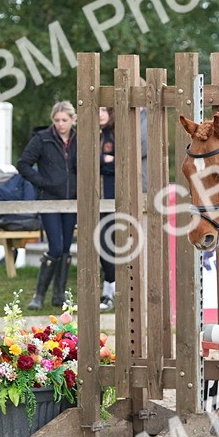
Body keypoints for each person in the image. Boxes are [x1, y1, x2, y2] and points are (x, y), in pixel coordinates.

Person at [17, 101, 78, 309]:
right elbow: (23, 164)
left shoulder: (80, 139)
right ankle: (39, 295)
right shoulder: (42, 139)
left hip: (72, 200)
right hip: (50, 199)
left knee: (66, 248)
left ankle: (59, 295)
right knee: (55, 246)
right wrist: (42, 182)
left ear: (72, 119)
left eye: (65, 120)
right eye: (57, 120)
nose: (60, 124)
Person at [97, 106, 116, 312]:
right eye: (98, 110)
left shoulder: (115, 134)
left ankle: (110, 292)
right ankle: (108, 290)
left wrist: (103, 162)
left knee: (108, 245)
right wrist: (103, 159)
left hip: (113, 198)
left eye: (105, 110)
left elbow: (119, 163)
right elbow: (80, 162)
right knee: (100, 246)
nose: (101, 114)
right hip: (92, 198)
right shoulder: (88, 134)